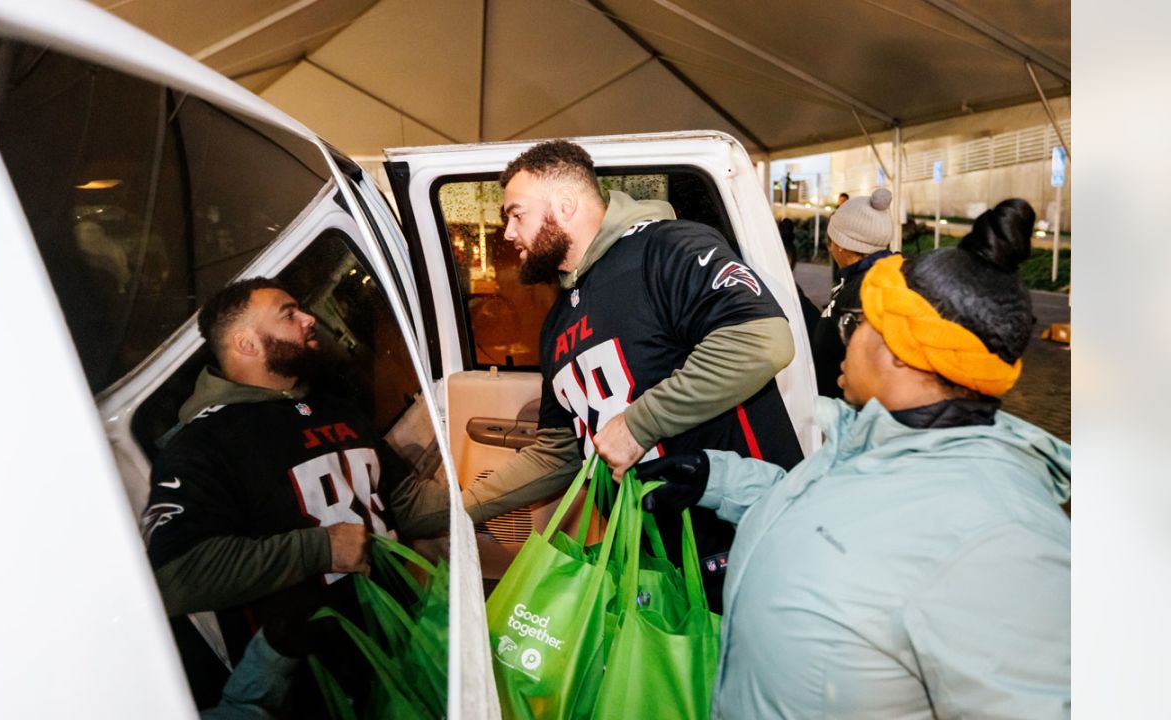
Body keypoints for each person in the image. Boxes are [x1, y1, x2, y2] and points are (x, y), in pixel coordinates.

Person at [639, 198, 1070, 718]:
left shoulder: (1002, 538)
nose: (843, 342)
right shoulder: (873, 441)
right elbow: (852, 525)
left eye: (856, 327)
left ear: (898, 351)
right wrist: (723, 481)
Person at [407, 140, 804, 609]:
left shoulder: (668, 247)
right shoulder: (558, 321)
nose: (508, 233)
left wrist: (640, 423)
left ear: (565, 204)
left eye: (516, 214)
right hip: (653, 563)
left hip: (743, 542)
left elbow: (761, 340)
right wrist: (454, 509)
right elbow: (559, 453)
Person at [142, 277, 428, 712]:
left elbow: (402, 502)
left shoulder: (337, 409)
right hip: (311, 686)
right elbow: (175, 577)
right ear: (247, 345)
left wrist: (477, 504)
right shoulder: (201, 444)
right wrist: (320, 548)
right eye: (288, 314)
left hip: (401, 644)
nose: (309, 318)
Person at [810, 188, 897, 397]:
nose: (830, 248)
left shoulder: (868, 289)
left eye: (831, 241)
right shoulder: (866, 278)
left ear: (842, 246)